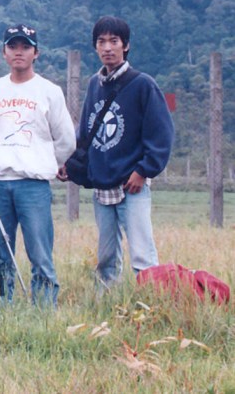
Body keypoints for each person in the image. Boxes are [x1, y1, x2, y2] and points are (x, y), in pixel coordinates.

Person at [73, 16, 173, 290]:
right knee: (106, 256)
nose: (108, 47)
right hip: (102, 183)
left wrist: (143, 170)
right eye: (101, 42)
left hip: (132, 184)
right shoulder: (94, 84)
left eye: (114, 41)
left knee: (142, 253)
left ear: (126, 45)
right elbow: (86, 131)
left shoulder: (143, 85)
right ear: (95, 47)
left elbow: (161, 134)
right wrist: (72, 162)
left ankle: (152, 299)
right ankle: (106, 302)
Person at [0, 24, 75, 307]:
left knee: (40, 252)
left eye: (25, 47)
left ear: (36, 53)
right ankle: (1, 308)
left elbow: (66, 139)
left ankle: (44, 309)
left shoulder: (49, 91)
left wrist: (47, 162)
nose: (18, 52)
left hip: (33, 184)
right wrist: (1, 160)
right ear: (4, 52)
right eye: (13, 47)